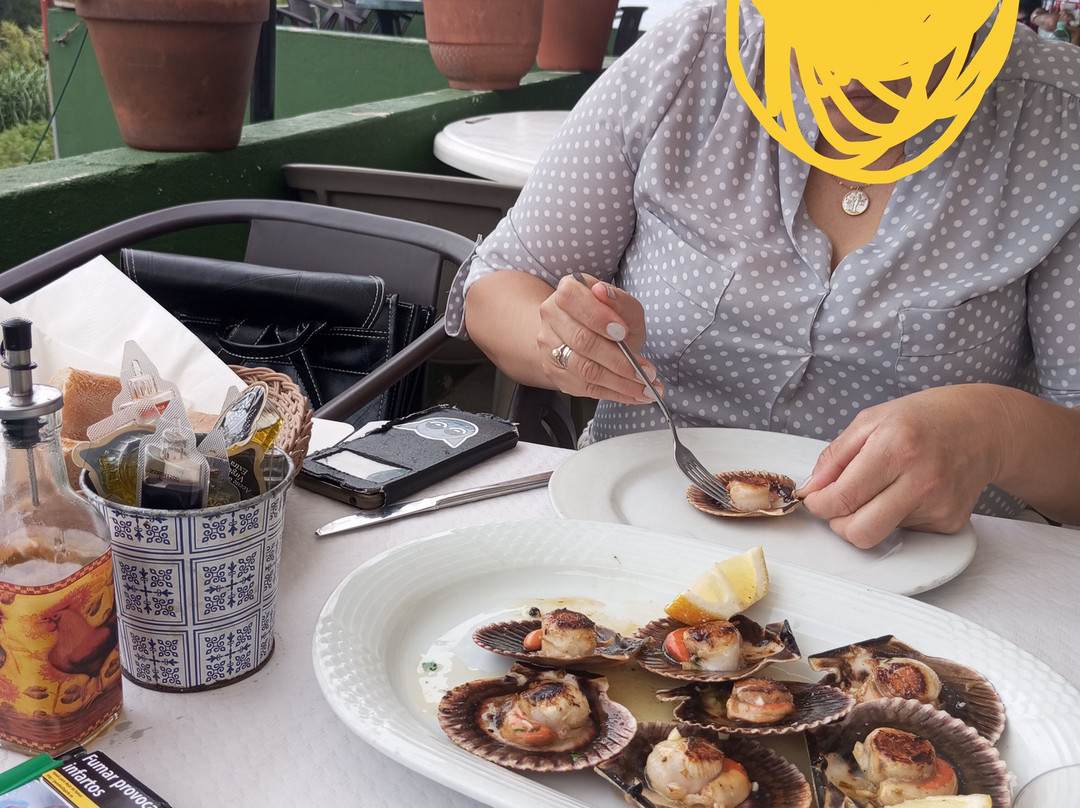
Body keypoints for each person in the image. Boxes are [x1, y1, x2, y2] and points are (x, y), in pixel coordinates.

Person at [444, 0, 1080, 549]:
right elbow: (500, 281)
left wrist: (996, 432)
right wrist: (563, 343)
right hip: (629, 538)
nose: (858, 70)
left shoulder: (1059, 117)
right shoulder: (690, 58)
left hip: (929, 582)